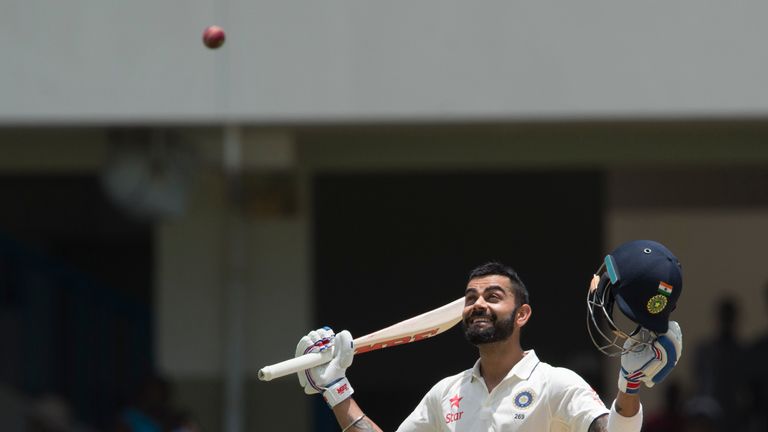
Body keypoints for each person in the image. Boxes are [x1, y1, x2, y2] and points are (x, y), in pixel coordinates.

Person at [296, 240, 683, 431]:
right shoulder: (444, 394)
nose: (478, 304)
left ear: (522, 315)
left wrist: (629, 387)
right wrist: (335, 389)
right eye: (471, 297)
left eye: (493, 297)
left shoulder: (556, 384)